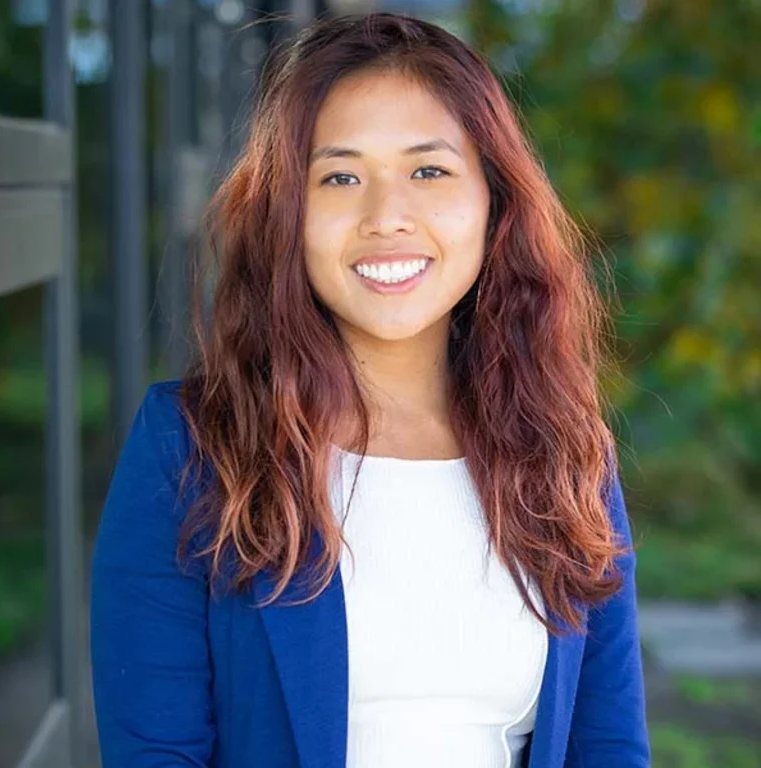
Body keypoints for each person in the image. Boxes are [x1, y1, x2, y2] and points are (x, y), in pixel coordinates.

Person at [90, 11, 650, 768]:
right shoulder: (192, 448)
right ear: (288, 215)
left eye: (429, 171)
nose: (387, 217)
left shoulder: (563, 451)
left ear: (494, 199)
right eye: (341, 177)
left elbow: (607, 746)